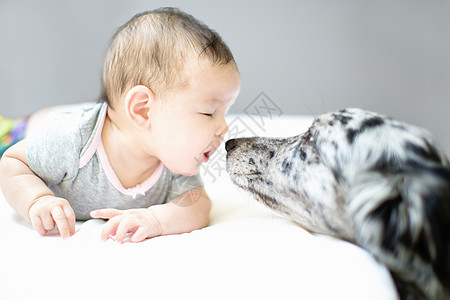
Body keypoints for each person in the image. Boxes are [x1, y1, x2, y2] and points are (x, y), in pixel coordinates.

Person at [0, 7, 240, 243]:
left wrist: (156, 219)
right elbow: (13, 162)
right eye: (209, 113)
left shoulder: (172, 161)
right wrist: (37, 200)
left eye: (225, 114)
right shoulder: (73, 140)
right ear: (142, 109)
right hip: (23, 132)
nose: (224, 128)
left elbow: (197, 204)